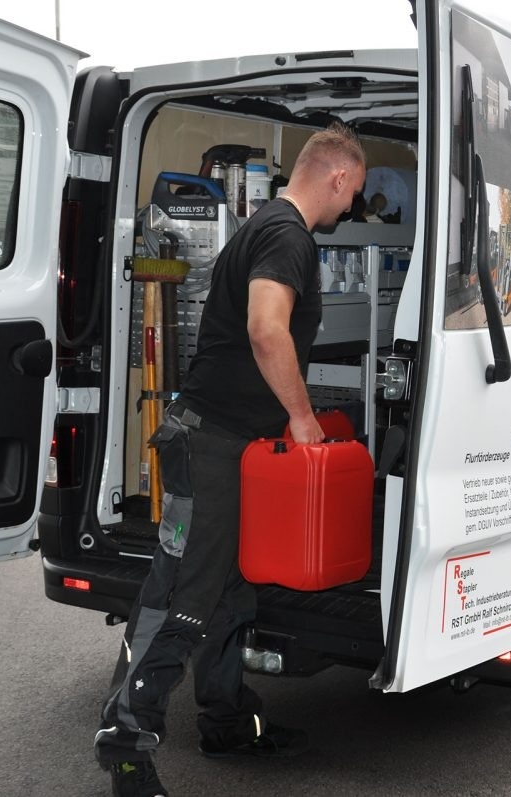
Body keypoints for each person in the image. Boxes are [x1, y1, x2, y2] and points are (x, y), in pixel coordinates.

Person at [95, 122, 366, 797]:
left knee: (230, 592)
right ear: (336, 176)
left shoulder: (268, 225)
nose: (352, 207)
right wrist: (303, 418)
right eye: (354, 192)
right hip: (210, 441)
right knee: (182, 593)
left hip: (231, 444)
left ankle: (225, 722)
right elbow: (266, 329)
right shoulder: (287, 235)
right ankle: (125, 743)